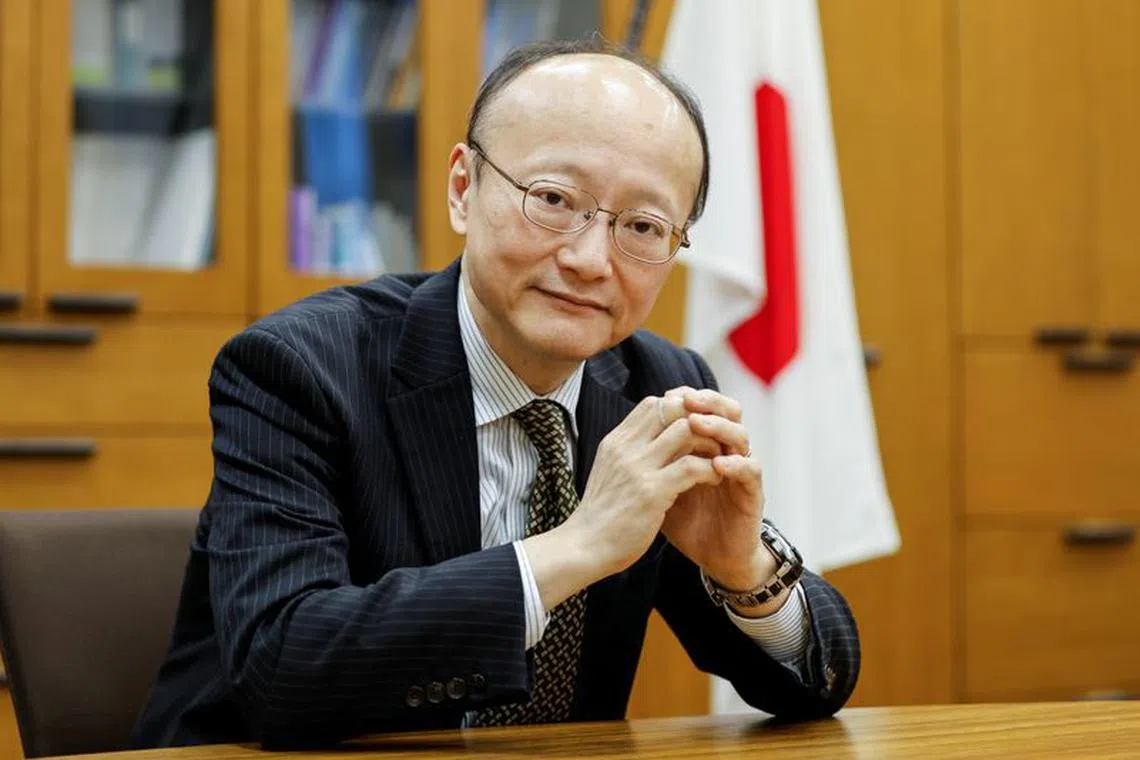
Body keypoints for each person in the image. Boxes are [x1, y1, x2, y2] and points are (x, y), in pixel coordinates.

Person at [131, 37, 859, 749]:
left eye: (641, 225)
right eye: (553, 199)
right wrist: (578, 547)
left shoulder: (659, 388)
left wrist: (744, 574)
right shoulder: (301, 368)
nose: (588, 259)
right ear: (462, 190)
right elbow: (282, 667)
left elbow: (814, 685)